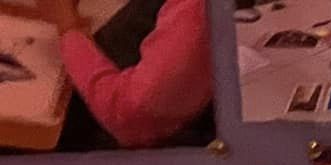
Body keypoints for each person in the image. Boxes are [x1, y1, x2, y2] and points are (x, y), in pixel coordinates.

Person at [50, 0, 213, 149]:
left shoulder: (201, 11)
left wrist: (67, 25)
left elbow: (131, 116)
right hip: (103, 82)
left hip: (134, 143)